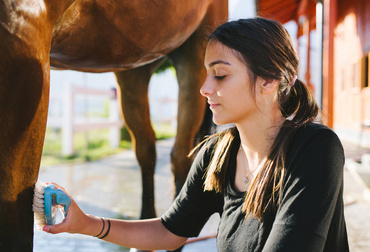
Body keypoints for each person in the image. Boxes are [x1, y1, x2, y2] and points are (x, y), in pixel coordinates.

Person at [42, 17, 349, 251]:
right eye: (206, 73)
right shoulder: (217, 156)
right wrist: (85, 223)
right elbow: (169, 231)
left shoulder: (316, 149)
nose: (204, 88)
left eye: (220, 75)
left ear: (268, 80)